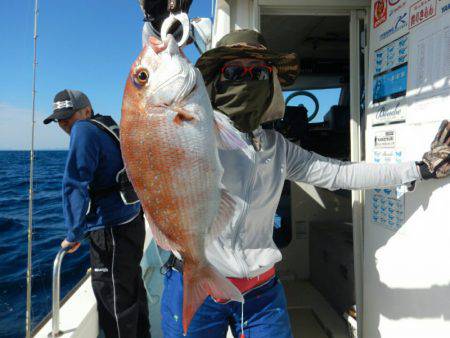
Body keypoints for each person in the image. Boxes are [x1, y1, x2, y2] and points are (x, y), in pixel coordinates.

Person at [140, 4, 450, 337]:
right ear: (215, 82)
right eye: (234, 72)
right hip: (192, 284)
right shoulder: (196, 129)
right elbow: (160, 91)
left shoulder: (278, 147)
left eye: (256, 72)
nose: (246, 79)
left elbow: (341, 173)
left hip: (259, 292)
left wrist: (420, 169)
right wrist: (159, 26)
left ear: (270, 82)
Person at [43, 89, 151, 338]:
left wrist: (73, 232)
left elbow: (75, 182)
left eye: (68, 117)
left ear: (86, 111)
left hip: (110, 229)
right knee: (131, 287)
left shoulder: (83, 130)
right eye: (59, 119)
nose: (64, 124)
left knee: (112, 298)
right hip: (132, 220)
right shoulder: (108, 127)